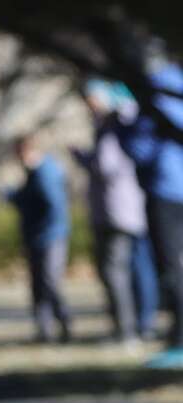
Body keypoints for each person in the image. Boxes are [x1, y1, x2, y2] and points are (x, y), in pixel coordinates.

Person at [76, 82, 153, 344]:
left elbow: (107, 165)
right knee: (129, 268)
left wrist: (84, 159)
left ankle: (128, 330)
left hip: (117, 211)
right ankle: (133, 326)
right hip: (120, 210)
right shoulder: (115, 124)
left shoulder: (114, 125)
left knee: (115, 271)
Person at [121, 54, 183, 366]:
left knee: (171, 266)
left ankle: (180, 337)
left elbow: (140, 146)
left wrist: (121, 128)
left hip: (166, 189)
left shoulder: (156, 88)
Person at [6, 135, 73, 343]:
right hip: (37, 237)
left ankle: (64, 321)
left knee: (49, 281)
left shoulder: (45, 173)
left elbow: (53, 207)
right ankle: (44, 330)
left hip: (50, 236)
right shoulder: (33, 173)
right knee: (38, 285)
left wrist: (43, 229)